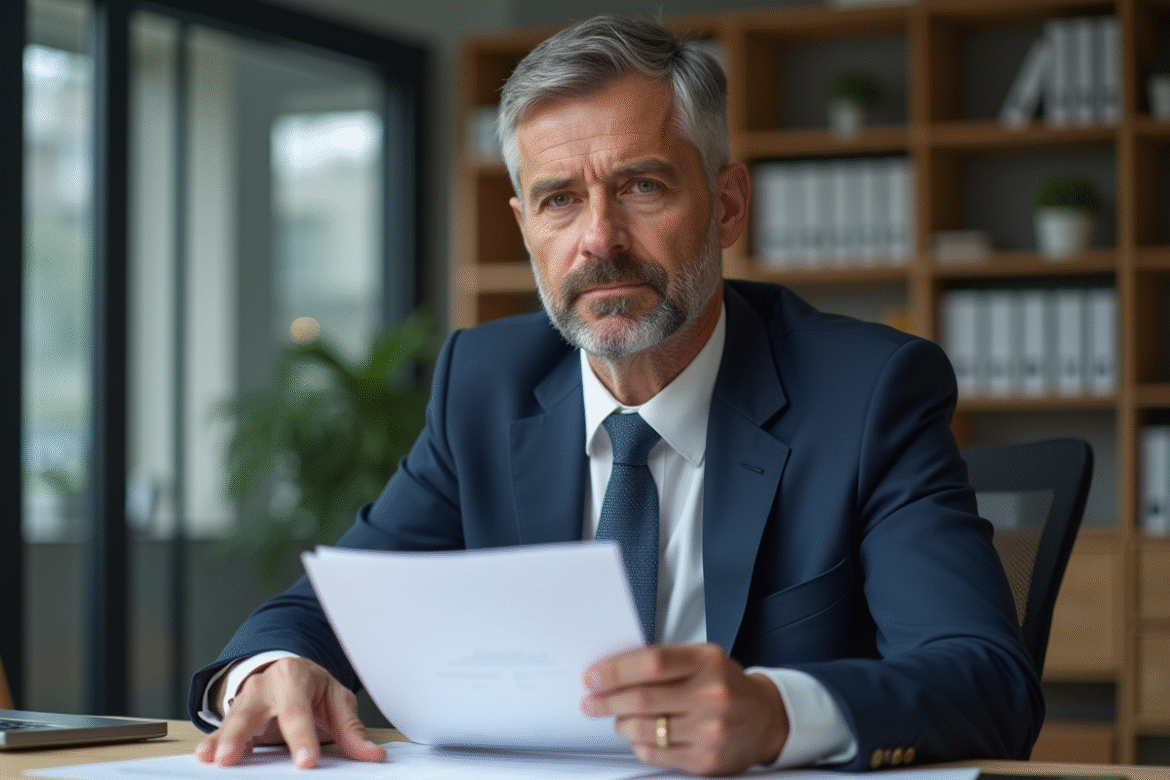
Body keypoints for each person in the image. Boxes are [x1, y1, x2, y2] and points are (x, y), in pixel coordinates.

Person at [190, 15, 1042, 775]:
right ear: (525, 228)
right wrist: (271, 667)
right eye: (560, 200)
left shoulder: (867, 394)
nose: (599, 239)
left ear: (727, 206)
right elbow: (335, 604)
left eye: (642, 186)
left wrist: (777, 714)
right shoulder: (484, 385)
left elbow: (986, 681)